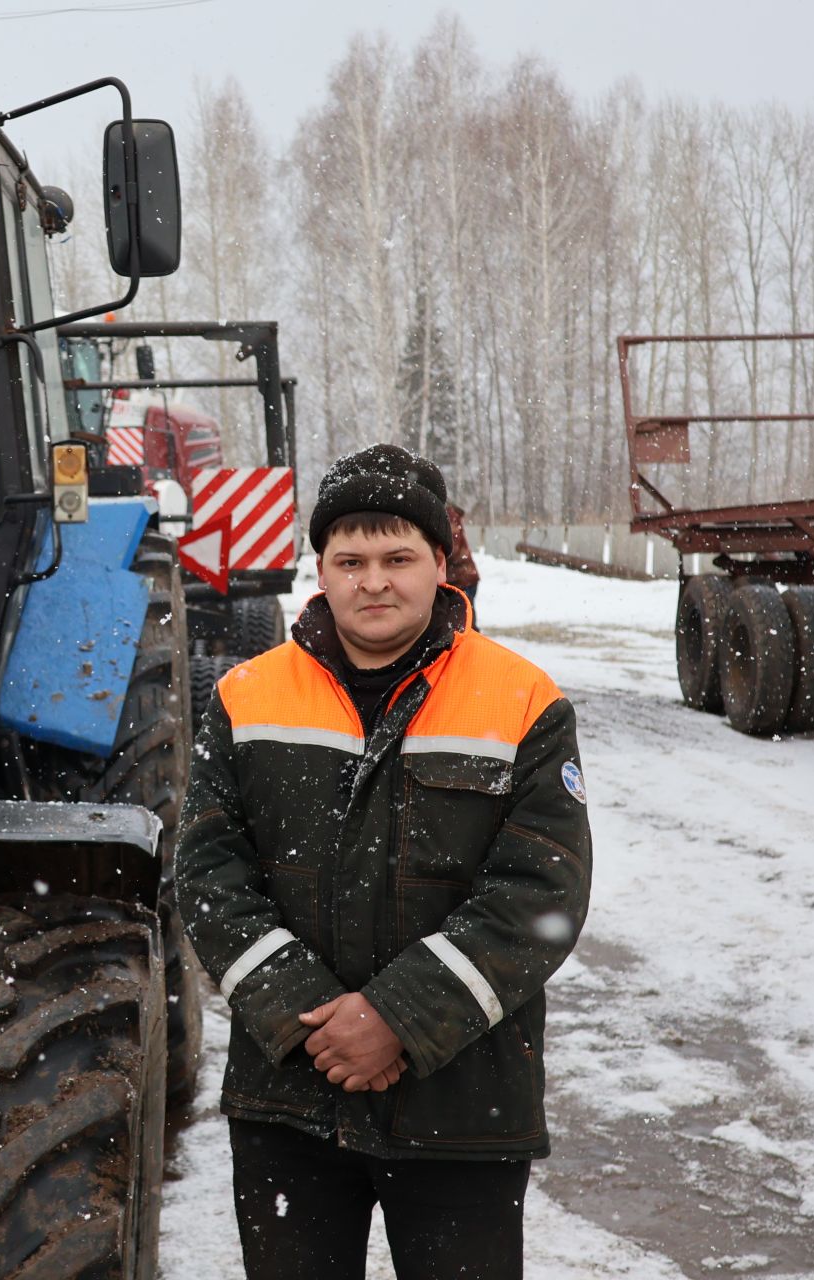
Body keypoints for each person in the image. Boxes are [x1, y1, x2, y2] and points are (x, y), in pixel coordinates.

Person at [177, 442, 592, 1279]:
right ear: (319, 570)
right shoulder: (245, 698)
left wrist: (396, 1018)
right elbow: (209, 877)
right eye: (351, 559)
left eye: (399, 557)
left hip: (464, 1108)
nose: (374, 581)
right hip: (291, 1100)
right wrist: (311, 1015)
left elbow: (540, 891)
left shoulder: (524, 702)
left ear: (441, 563)